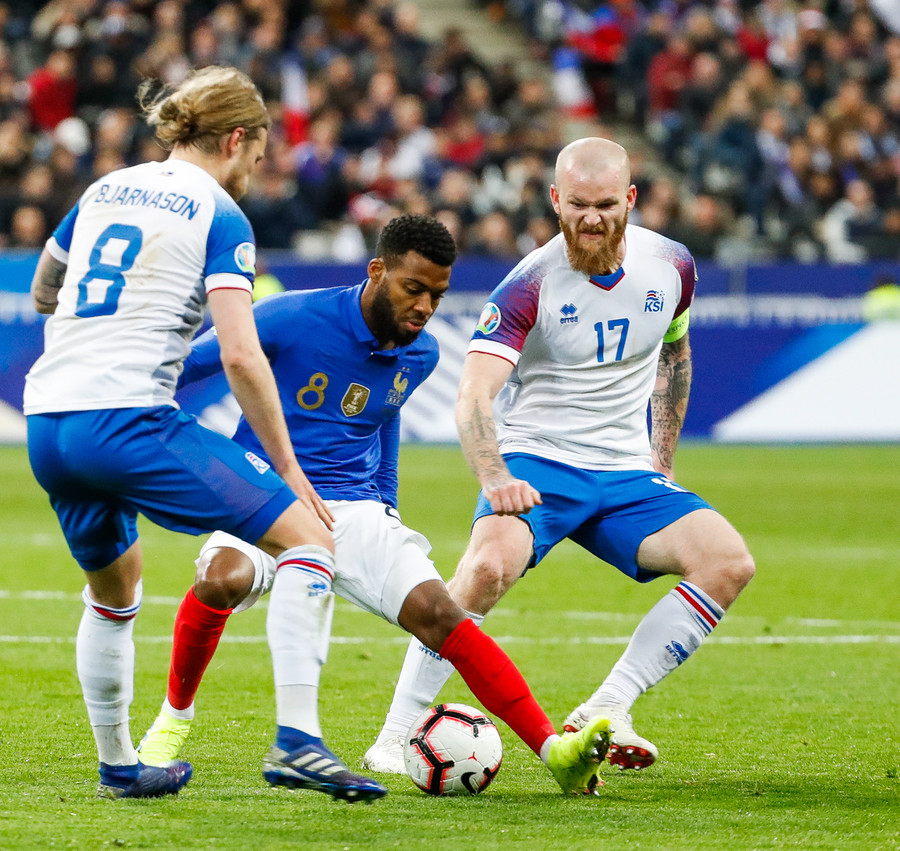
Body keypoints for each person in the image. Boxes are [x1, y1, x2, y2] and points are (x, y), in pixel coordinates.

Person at [136, 214, 613, 798]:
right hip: (266, 492)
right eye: (413, 289)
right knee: (221, 578)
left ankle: (554, 752)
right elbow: (187, 366)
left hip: (355, 509)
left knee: (442, 615)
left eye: (436, 295)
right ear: (377, 271)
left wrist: (386, 504)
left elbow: (383, 420)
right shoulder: (291, 316)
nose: (425, 307)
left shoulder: (422, 353)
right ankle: (173, 719)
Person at [362, 137, 755, 775]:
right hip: (538, 461)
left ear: (630, 199)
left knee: (729, 563)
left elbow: (675, 354)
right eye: (577, 205)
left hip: (625, 470)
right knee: (485, 570)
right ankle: (394, 734)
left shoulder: (673, 265)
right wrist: (495, 474)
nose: (591, 219)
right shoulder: (528, 284)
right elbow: (473, 394)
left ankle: (609, 705)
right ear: (555, 200)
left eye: (605, 205)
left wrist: (662, 461)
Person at [23, 66, 339, 801]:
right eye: (256, 157)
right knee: (310, 541)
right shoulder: (221, 215)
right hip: (128, 420)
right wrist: (287, 466)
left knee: (115, 588)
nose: (253, 174)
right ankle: (298, 738)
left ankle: (120, 767)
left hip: (49, 420)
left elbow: (44, 290)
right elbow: (241, 354)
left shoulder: (105, 189)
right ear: (235, 139)